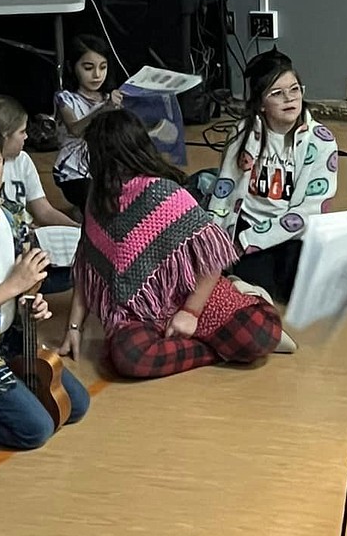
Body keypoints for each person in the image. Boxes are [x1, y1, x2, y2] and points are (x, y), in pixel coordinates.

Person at [59, 109, 281, 379]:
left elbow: (213, 259)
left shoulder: (166, 193)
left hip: (188, 292)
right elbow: (87, 268)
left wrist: (189, 312)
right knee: (131, 358)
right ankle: (214, 350)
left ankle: (243, 294)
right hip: (137, 309)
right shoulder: (97, 197)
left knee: (260, 334)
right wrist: (74, 328)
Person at [0, 118, 90, 449]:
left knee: (74, 407)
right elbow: (8, 286)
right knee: (35, 430)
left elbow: (27, 282)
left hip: (8, 342)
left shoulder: (12, 216)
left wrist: (31, 300)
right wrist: (10, 288)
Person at [208, 50, 337, 304]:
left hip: (292, 233)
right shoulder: (243, 133)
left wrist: (249, 241)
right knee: (253, 292)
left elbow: (308, 213)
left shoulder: (321, 141)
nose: (289, 99)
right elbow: (224, 191)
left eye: (295, 89)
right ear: (260, 103)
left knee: (305, 295)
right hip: (249, 227)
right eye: (277, 93)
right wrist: (217, 243)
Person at [0, 93, 78, 292]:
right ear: (3, 136)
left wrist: (78, 229)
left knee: (74, 271)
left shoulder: (22, 160)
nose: (27, 137)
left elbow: (43, 210)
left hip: (25, 244)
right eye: (21, 131)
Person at [53, 35, 123, 214]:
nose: (97, 75)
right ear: (71, 67)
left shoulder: (110, 99)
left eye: (103, 67)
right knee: (97, 203)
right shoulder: (65, 98)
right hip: (73, 171)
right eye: (88, 68)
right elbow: (75, 129)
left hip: (105, 166)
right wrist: (104, 109)